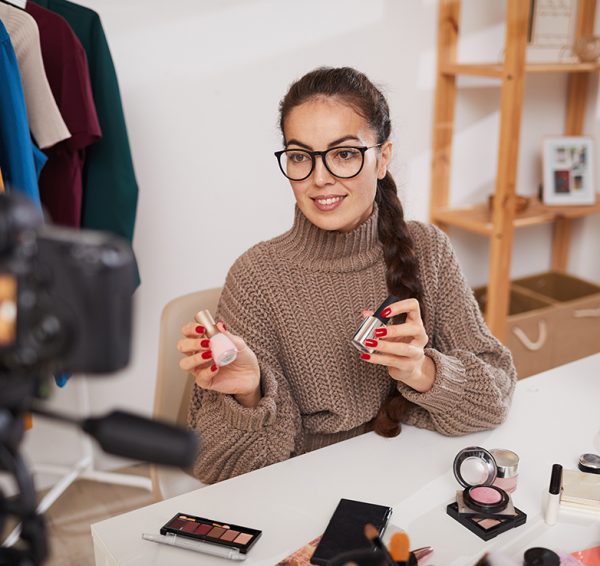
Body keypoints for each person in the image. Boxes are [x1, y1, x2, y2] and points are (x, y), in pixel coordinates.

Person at [178, 67, 516, 484]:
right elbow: (216, 467)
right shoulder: (256, 278)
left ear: (382, 158)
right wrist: (249, 395)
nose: (319, 179)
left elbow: (495, 399)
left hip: (415, 476)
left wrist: (421, 371)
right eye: (300, 156)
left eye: (343, 154)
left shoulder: (427, 249)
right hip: (307, 492)